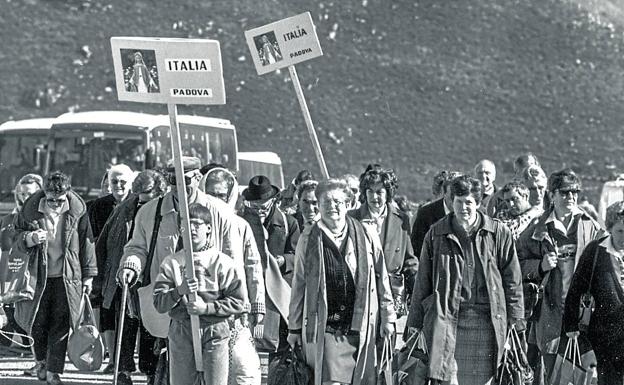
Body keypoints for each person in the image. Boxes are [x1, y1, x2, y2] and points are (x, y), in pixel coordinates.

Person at [116, 157, 239, 381]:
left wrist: (240, 306)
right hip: (166, 307)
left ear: (199, 178)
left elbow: (233, 259)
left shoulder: (219, 212)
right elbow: (137, 247)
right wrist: (131, 265)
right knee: (162, 371)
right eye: (173, 180)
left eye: (186, 179)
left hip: (211, 311)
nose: (180, 186)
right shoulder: (149, 212)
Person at [406, 175, 525, 385]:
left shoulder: (498, 233)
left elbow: (512, 280)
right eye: (458, 202)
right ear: (451, 202)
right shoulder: (436, 234)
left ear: (478, 203)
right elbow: (422, 280)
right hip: (449, 320)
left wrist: (516, 319)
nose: (463, 208)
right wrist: (415, 322)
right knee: (449, 379)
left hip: (488, 321)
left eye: (468, 202)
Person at [287, 179, 396, 385]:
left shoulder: (366, 234)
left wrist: (388, 317)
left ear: (348, 204)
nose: (332, 207)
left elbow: (382, 279)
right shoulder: (308, 238)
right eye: (325, 202)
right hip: (326, 328)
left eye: (337, 202)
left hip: (359, 326)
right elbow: (299, 285)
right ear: (318, 206)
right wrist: (294, 328)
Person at [517, 168, 604, 381]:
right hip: (550, 314)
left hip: (583, 315)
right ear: (552, 194)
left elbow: (607, 258)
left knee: (583, 376)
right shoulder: (538, 228)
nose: (571, 197)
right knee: (551, 374)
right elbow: (516, 264)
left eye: (575, 192)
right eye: (565, 192)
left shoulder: (589, 225)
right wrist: (540, 266)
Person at [12, 171, 97, 385]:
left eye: (60, 201)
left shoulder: (78, 210)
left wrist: (89, 276)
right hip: (37, 276)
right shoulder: (30, 209)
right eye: (51, 201)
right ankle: (40, 360)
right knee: (37, 322)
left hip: (67, 276)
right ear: (44, 194)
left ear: (67, 194)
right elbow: (15, 238)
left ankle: (53, 371)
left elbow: (87, 244)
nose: (56, 205)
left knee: (60, 325)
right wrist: (30, 238)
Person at [153, 203, 246, 385]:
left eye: (196, 224)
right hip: (182, 329)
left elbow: (238, 302)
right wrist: (179, 291)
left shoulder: (222, 263)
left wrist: (207, 308)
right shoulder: (172, 263)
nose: (192, 230)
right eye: (186, 226)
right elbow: (159, 303)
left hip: (215, 330)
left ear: (209, 228)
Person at [95, 169, 167, 385]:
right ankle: (124, 371)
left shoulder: (166, 210)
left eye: (147, 201)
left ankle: (151, 373)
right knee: (125, 326)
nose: (142, 205)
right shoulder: (126, 208)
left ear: (159, 193)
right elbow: (105, 242)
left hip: (154, 277)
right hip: (126, 277)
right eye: (139, 200)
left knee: (150, 328)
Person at [201, 166, 265, 385]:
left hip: (237, 313)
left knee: (243, 371)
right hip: (204, 312)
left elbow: (253, 266)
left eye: (221, 195)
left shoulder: (241, 225)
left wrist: (257, 306)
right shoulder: (195, 227)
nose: (216, 200)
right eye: (212, 195)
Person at [239, 175, 300, 382]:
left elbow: (297, 255)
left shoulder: (288, 222)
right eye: (256, 205)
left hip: (278, 292)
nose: (260, 209)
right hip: (250, 290)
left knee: (277, 348)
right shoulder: (242, 222)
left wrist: (283, 260)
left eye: (264, 205)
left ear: (273, 200)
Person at [563, 201, 624, 384]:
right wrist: (571, 325)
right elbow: (576, 289)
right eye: (621, 231)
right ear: (611, 227)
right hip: (603, 339)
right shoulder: (596, 251)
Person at [349, 166, 417, 318]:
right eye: (370, 192)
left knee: (388, 340)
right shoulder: (352, 219)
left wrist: (419, 291)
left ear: (388, 193)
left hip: (391, 296)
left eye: (379, 192)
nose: (374, 197)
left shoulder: (402, 219)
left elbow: (409, 259)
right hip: (361, 295)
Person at [88, 163, 135, 367]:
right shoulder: (99, 205)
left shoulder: (137, 203)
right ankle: (113, 359)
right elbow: (92, 237)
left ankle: (125, 359)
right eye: (114, 181)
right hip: (105, 265)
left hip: (131, 265)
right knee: (107, 310)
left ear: (130, 183)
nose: (118, 185)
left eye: (123, 181)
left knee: (129, 313)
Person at [0, 174, 42, 363]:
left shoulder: (45, 218)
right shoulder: (9, 218)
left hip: (37, 276)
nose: (26, 198)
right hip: (14, 275)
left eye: (30, 194)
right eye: (22, 194)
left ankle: (38, 360)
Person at [410, 170, 461, 258]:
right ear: (444, 193)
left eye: (459, 194)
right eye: (452, 194)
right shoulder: (426, 214)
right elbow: (417, 250)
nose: (456, 198)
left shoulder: (472, 213)